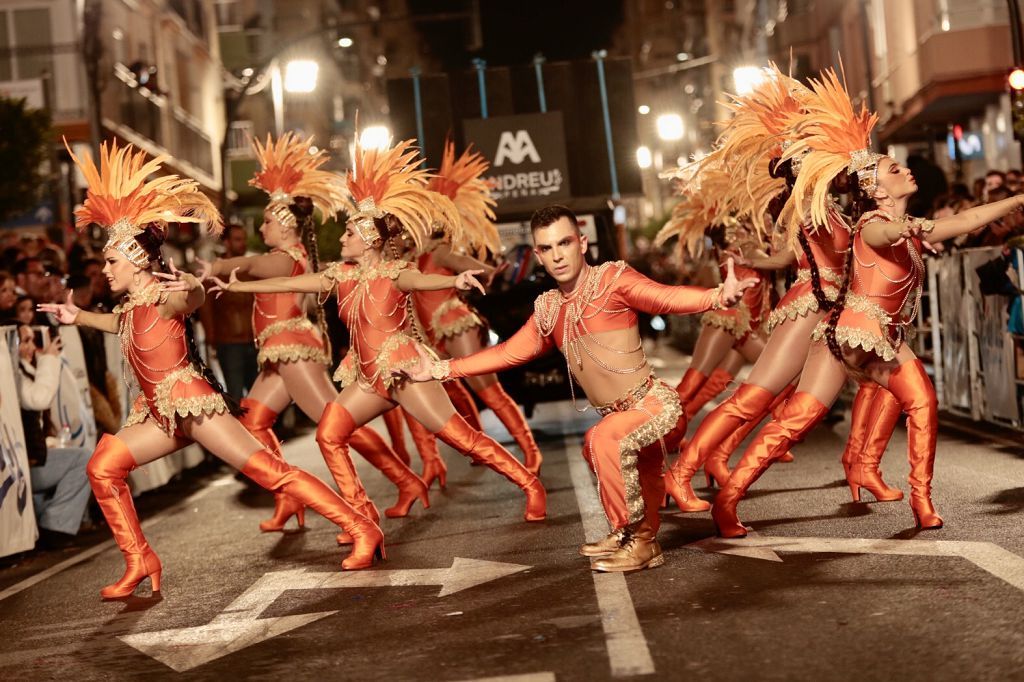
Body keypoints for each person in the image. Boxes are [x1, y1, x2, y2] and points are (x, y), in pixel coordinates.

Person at [41, 140, 384, 600]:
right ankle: (140, 558)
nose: (104, 269)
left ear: (139, 260)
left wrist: (195, 285)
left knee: (270, 472)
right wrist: (77, 317)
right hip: (160, 414)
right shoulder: (133, 304)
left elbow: (192, 300)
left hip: (193, 406)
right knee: (103, 467)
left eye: (111, 260)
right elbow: (115, 322)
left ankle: (362, 526)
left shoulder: (167, 297)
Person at [710, 70, 1024, 537]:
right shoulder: (872, 226)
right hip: (854, 336)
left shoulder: (904, 223)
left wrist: (1018, 198)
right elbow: (885, 233)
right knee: (811, 418)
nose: (906, 170)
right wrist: (905, 230)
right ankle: (728, 500)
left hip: (873, 335)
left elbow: (968, 218)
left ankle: (921, 500)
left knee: (913, 403)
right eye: (894, 170)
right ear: (876, 189)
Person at [399, 205, 757, 572]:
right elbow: (507, 353)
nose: (557, 255)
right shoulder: (550, 309)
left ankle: (634, 536)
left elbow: (666, 297)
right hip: (622, 419)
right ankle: (638, 536)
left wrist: (717, 297)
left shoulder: (612, 280)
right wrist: (442, 369)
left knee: (604, 439)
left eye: (564, 243)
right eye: (547, 248)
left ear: (582, 243)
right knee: (602, 448)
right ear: (538, 254)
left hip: (653, 407)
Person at [210, 136, 546, 524]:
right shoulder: (341, 276)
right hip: (369, 377)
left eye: (350, 233)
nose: (343, 238)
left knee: (462, 438)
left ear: (369, 239)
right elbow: (289, 284)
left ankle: (528, 484)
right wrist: (237, 286)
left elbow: (424, 282)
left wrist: (458, 281)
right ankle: (362, 518)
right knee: (329, 434)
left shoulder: (395, 273)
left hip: (404, 371)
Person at [199, 133, 427, 535]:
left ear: (286, 227)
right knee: (253, 424)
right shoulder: (286, 256)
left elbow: (253, 265)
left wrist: (216, 268)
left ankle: (382, 495)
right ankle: (288, 497)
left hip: (293, 353)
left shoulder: (285, 259)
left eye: (268, 221)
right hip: (278, 356)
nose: (263, 227)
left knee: (337, 427)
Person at [412, 140, 544, 475]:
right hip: (433, 333)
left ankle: (530, 449)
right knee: (452, 390)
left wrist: (490, 270)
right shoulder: (414, 256)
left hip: (455, 323)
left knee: (487, 390)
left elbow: (462, 261)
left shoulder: (440, 251)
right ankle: (479, 444)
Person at [16, 324, 93, 546]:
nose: (32, 347)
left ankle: (51, 524)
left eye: (34, 340)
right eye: (26, 341)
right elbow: (39, 398)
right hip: (20, 466)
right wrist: (48, 360)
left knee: (80, 456)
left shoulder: (23, 371)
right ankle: (54, 525)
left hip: (29, 459)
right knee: (83, 459)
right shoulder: (14, 376)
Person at [198, 224, 258, 402]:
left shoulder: (249, 270)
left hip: (253, 342)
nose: (243, 244)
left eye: (244, 239)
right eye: (238, 239)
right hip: (229, 343)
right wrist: (211, 339)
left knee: (257, 395)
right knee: (235, 393)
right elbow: (205, 309)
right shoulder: (215, 272)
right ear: (227, 242)